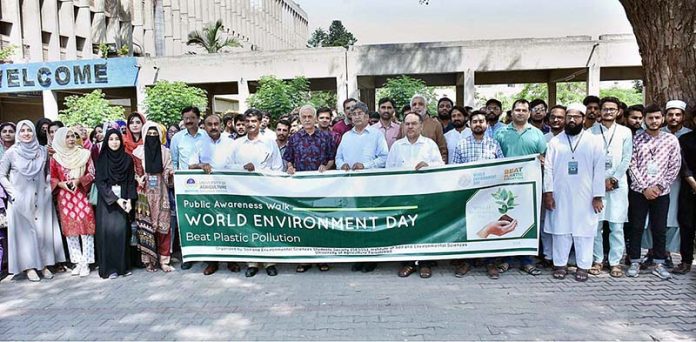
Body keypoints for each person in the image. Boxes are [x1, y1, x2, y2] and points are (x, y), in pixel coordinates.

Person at [543, 103, 605, 282]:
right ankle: (560, 265)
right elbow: (548, 169)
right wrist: (548, 193)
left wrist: (598, 196)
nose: (571, 120)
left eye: (576, 117)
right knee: (560, 229)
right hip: (560, 194)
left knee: (584, 230)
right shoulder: (555, 141)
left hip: (586, 195)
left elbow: (599, 170)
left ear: (583, 119)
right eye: (568, 117)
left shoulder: (594, 141)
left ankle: (583, 266)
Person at [0, 120, 65, 281]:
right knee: (25, 235)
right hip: (20, 199)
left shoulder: (42, 151)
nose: (26, 134)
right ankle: (29, 267)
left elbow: (49, 171)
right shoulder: (11, 153)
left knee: (42, 232)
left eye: (29, 130)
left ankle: (43, 265)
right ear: (18, 134)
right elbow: (1, 175)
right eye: (22, 131)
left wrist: (48, 189)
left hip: (41, 197)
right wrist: (13, 193)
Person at [626, 104, 681, 279]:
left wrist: (658, 187)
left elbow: (674, 166)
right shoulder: (636, 139)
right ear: (644, 119)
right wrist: (644, 188)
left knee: (659, 228)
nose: (654, 121)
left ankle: (659, 262)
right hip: (638, 191)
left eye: (657, 117)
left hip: (661, 192)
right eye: (650, 118)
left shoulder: (671, 140)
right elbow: (631, 164)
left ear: (662, 118)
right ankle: (634, 261)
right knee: (636, 226)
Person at [494, 99, 547, 276]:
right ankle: (506, 259)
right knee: (507, 220)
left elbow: (543, 156)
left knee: (529, 221)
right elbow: (494, 157)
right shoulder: (501, 133)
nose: (521, 113)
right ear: (512, 112)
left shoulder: (537, 133)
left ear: (529, 113)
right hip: (506, 186)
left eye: (524, 110)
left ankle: (527, 260)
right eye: (517, 110)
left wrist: (541, 161)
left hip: (529, 187)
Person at [335, 102, 389, 273]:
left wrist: (365, 166)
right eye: (354, 113)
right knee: (354, 219)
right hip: (350, 185)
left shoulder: (376, 135)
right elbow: (338, 158)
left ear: (367, 117)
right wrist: (342, 165)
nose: (356, 116)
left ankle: (372, 257)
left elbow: (384, 158)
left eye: (360, 113)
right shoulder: (346, 136)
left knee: (370, 219)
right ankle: (358, 255)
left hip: (370, 185)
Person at [229, 109, 283, 277]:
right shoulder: (236, 144)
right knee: (248, 225)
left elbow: (277, 167)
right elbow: (229, 166)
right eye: (248, 121)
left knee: (267, 225)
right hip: (243, 192)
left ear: (260, 123)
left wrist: (263, 176)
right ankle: (252, 262)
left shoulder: (269, 142)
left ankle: (269, 262)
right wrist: (243, 168)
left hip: (265, 190)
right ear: (243, 123)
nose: (250, 124)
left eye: (254, 121)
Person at [390, 112, 444, 279]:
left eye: (414, 124)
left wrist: (429, 165)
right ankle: (407, 263)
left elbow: (441, 166)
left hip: (425, 195)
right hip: (404, 195)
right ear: (403, 126)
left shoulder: (430, 145)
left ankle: (425, 263)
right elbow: (389, 170)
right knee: (406, 229)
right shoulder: (397, 146)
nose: (410, 127)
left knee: (425, 229)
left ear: (421, 126)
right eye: (407, 124)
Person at [452, 110, 504, 279]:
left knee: (489, 227)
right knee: (468, 228)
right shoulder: (462, 144)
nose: (478, 124)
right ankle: (466, 262)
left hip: (489, 194)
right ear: (470, 124)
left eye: (481, 121)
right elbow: (454, 170)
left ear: (486, 124)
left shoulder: (494, 144)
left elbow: (502, 167)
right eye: (475, 121)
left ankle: (490, 263)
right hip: (468, 195)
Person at [284, 105, 336, 272]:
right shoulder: (294, 138)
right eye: (304, 117)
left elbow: (331, 159)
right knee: (303, 222)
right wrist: (290, 168)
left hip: (321, 188)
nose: (307, 119)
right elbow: (289, 160)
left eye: (309, 116)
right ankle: (304, 258)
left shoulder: (325, 137)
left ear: (315, 118)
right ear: (300, 119)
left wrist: (326, 168)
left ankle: (322, 257)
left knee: (321, 222)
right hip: (301, 188)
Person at [588, 97, 633, 278]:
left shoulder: (625, 132)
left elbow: (626, 158)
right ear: (599, 111)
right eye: (605, 109)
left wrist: (613, 179)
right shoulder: (590, 132)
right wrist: (600, 182)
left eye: (612, 109)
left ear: (618, 111)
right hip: (596, 186)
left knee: (617, 226)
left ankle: (615, 262)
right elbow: (588, 160)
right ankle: (598, 260)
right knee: (596, 226)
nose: (608, 112)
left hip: (618, 185)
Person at [49, 127, 96, 278]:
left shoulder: (85, 154)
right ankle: (77, 262)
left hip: (81, 195)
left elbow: (91, 173)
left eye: (73, 136)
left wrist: (78, 180)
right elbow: (52, 177)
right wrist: (62, 184)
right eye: (67, 137)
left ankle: (87, 263)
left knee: (86, 228)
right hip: (65, 197)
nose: (71, 139)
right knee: (70, 231)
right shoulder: (55, 158)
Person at [95, 129, 138, 279]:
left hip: (124, 199)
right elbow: (100, 183)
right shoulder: (101, 159)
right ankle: (110, 269)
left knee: (121, 233)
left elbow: (130, 181)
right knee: (108, 234)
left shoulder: (127, 159)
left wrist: (130, 200)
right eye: (111, 139)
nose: (114, 142)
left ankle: (123, 267)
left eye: (117, 139)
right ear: (106, 141)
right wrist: (116, 199)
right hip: (107, 203)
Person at [132, 122, 175, 273]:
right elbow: (133, 172)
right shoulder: (137, 152)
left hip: (162, 192)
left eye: (155, 134)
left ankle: (164, 261)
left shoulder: (165, 152)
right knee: (145, 226)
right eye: (149, 134)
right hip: (144, 194)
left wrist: (169, 174)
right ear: (144, 135)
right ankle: (149, 261)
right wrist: (138, 178)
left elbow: (169, 169)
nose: (152, 137)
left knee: (164, 226)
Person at [169, 106, 208, 270]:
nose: (189, 121)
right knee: (186, 221)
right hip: (185, 186)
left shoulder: (206, 136)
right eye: (186, 118)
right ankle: (188, 255)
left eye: (192, 117)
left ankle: (207, 255)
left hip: (206, 186)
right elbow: (174, 162)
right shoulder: (177, 138)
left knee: (205, 220)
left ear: (199, 119)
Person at [397, 94, 448, 162]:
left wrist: (439, 167)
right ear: (411, 108)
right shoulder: (404, 124)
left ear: (426, 107)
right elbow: (398, 146)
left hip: (429, 168)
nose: (417, 107)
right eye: (414, 104)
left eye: (420, 104)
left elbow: (442, 150)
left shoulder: (435, 124)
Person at [675, 111, 696, 274]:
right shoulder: (685, 139)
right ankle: (686, 261)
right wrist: (693, 183)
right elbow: (682, 165)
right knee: (687, 226)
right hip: (689, 189)